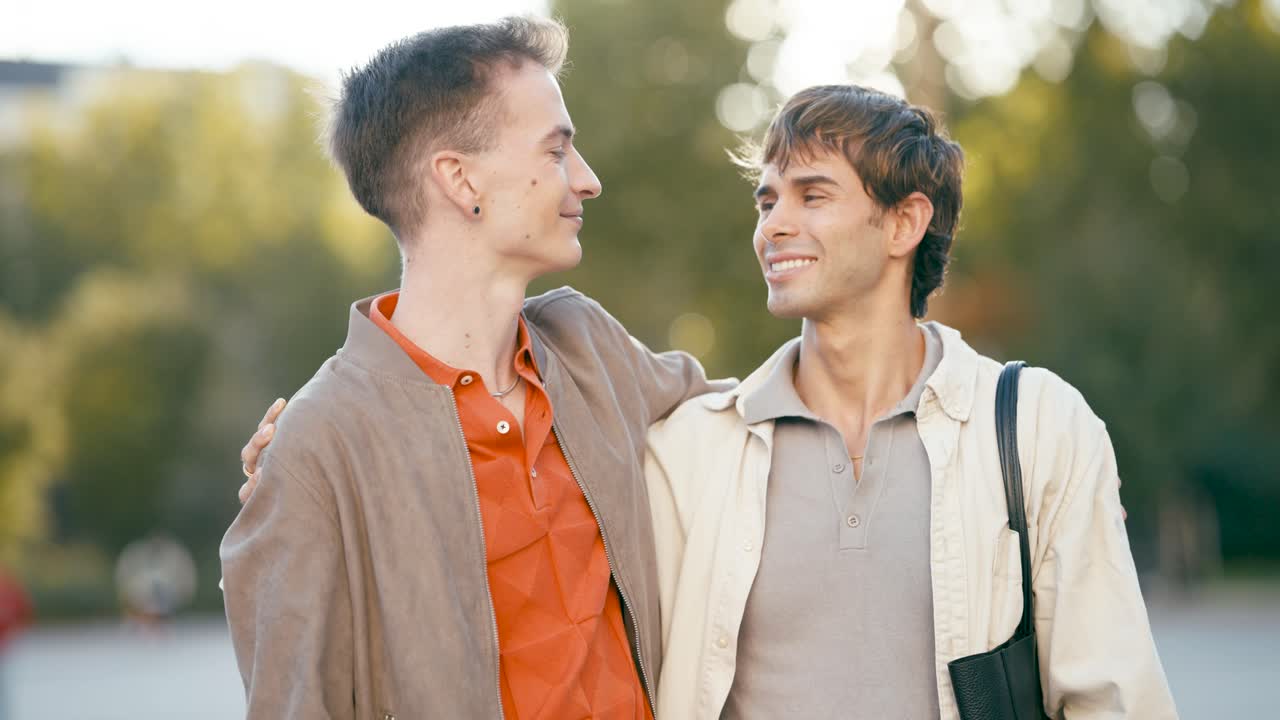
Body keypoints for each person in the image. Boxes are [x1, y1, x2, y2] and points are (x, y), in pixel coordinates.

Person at [220, 16, 725, 719]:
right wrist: (300, 468)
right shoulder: (318, 449)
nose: (587, 179)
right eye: (556, 152)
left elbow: (761, 416)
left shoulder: (589, 349)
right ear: (460, 180)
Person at [643, 84, 1178, 719]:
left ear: (904, 223)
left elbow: (1113, 696)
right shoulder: (691, 450)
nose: (773, 225)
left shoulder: (1038, 427)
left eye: (812, 195)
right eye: (767, 200)